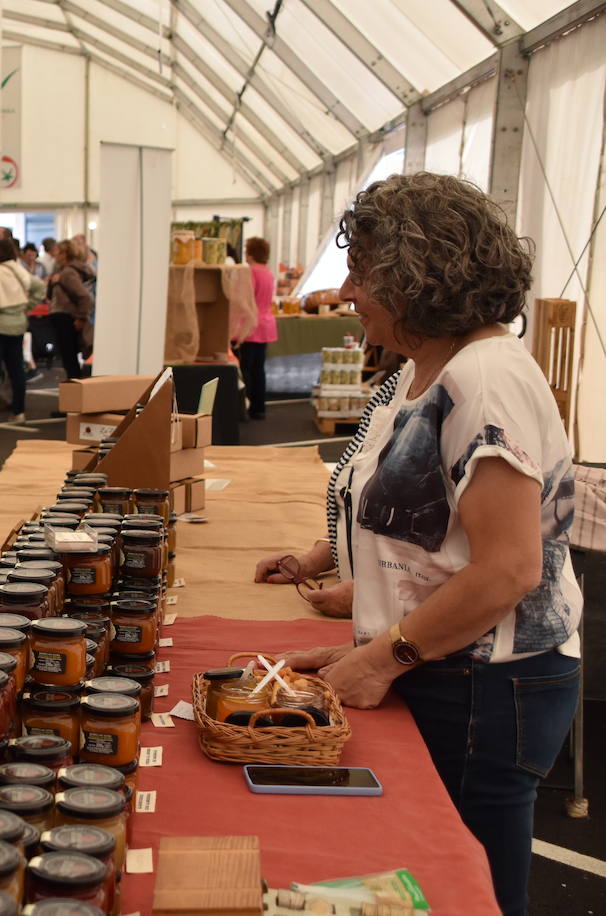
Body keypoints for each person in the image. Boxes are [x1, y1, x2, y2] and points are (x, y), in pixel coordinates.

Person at [260, 173, 581, 916]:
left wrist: (380, 658)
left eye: (363, 272)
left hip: (484, 687)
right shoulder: (424, 367)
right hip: (451, 669)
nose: (346, 291)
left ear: (416, 276)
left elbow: (508, 569)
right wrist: (367, 597)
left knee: (469, 889)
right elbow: (443, 529)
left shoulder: (484, 380)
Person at [0, 237, 45, 426]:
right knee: (17, 370)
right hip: (17, 325)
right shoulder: (19, 271)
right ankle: (19, 412)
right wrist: (27, 306)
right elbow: (40, 287)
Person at [236, 236, 277, 420]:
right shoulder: (268, 272)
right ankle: (259, 407)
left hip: (251, 326)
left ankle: (247, 405)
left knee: (246, 369)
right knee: (259, 369)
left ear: (251, 253)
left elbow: (246, 300)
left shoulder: (250, 272)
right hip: (266, 323)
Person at [49, 238, 95, 382]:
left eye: (57, 252)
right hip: (69, 317)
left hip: (66, 318)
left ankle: (75, 395)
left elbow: (84, 296)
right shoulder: (69, 270)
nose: (54, 255)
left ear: (64, 254)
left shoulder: (67, 273)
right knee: (71, 359)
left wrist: (81, 318)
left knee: (70, 360)